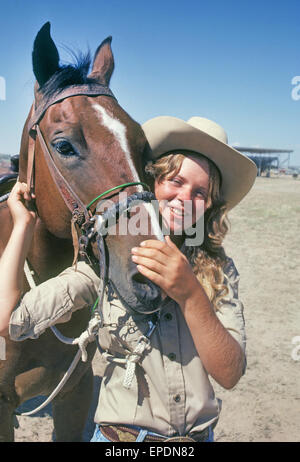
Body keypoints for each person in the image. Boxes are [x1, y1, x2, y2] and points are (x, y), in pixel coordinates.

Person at [0, 116, 257, 442]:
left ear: (208, 206)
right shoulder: (106, 264)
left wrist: (190, 294)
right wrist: (23, 225)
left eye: (200, 192)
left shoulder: (218, 271)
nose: (183, 199)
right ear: (153, 185)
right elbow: (8, 320)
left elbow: (230, 373)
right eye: (175, 181)